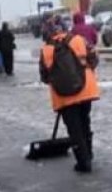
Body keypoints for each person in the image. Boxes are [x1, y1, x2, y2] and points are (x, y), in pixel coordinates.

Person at [39, 25, 100, 173]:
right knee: (85, 122)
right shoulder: (79, 40)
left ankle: (83, 162)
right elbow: (94, 58)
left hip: (63, 96)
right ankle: (89, 154)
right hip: (86, 90)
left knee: (74, 129)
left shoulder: (46, 50)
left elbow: (45, 77)